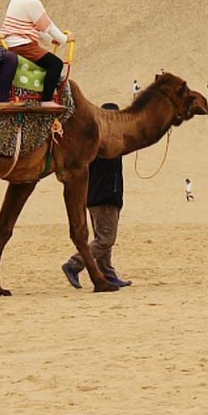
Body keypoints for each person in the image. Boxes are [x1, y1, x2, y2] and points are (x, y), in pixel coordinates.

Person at [62, 103, 131, 289]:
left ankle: (107, 274)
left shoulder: (94, 140)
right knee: (105, 239)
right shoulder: (105, 143)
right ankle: (74, 264)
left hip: (97, 196)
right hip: (105, 196)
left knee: (103, 237)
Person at [0, 0, 73, 110]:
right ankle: (47, 99)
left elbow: (35, 27)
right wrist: (66, 39)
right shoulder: (32, 2)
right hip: (22, 45)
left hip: (12, 42)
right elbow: (48, 25)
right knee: (56, 64)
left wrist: (51, 40)